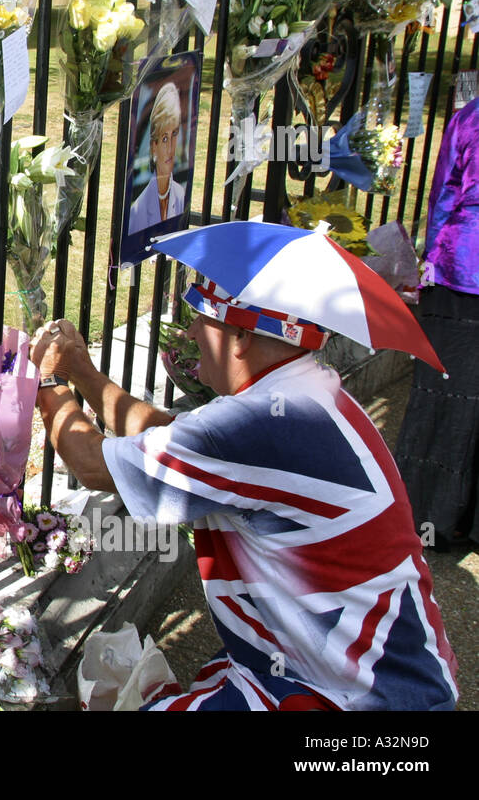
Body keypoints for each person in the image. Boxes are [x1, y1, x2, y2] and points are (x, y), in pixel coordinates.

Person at [30, 284, 458, 710]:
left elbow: (91, 465)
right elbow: (168, 438)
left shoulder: (256, 425)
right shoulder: (309, 389)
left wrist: (48, 379)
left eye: (202, 318)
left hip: (352, 696)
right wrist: (80, 370)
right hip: (397, 673)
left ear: (240, 336)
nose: (191, 333)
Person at [396, 95, 479, 552]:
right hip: (461, 265)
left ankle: (428, 518)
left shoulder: (469, 117)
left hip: (460, 267)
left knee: (445, 396)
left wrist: (429, 262)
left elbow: (443, 195)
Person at [128, 81, 186, 234]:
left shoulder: (180, 195)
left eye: (174, 134)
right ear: (154, 146)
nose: (170, 148)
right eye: (164, 139)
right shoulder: (138, 209)